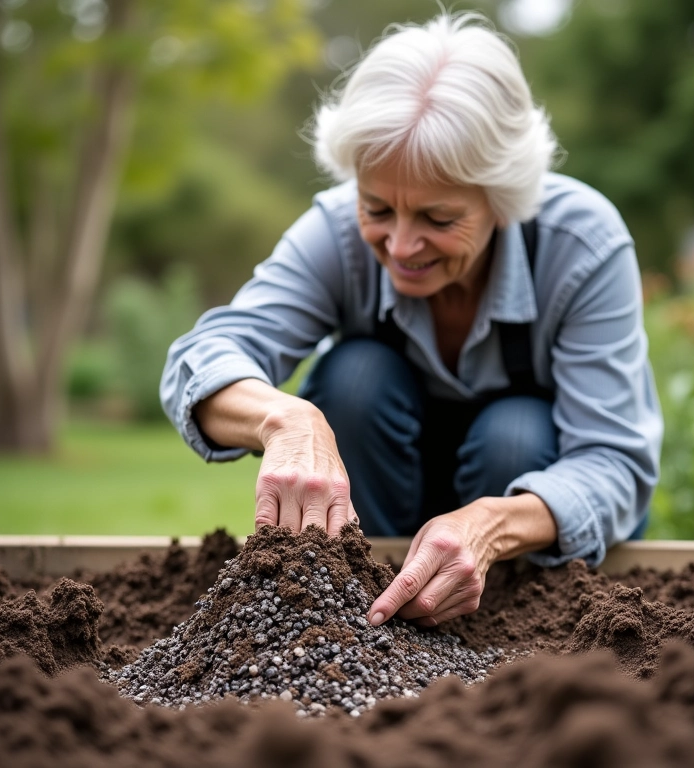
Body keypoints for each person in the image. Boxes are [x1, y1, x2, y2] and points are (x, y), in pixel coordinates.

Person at [160, 12, 663, 629]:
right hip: (375, 532)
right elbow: (203, 358)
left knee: (517, 432)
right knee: (352, 379)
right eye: (377, 207)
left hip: (526, 567)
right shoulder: (336, 232)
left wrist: (490, 525)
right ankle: (360, 618)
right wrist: (285, 419)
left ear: (502, 196)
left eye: (438, 218)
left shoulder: (581, 244)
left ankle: (491, 627)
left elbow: (615, 463)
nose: (399, 246)